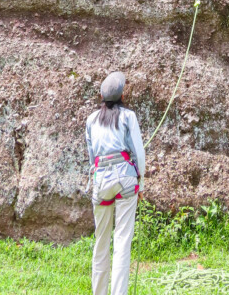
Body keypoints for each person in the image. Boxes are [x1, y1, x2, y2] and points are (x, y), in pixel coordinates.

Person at [86, 71, 146, 295]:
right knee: (122, 242)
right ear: (122, 94)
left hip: (101, 180)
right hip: (126, 180)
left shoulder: (91, 120)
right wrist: (142, 181)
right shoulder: (128, 116)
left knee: (101, 241)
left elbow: (93, 158)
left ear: (101, 96)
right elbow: (139, 153)